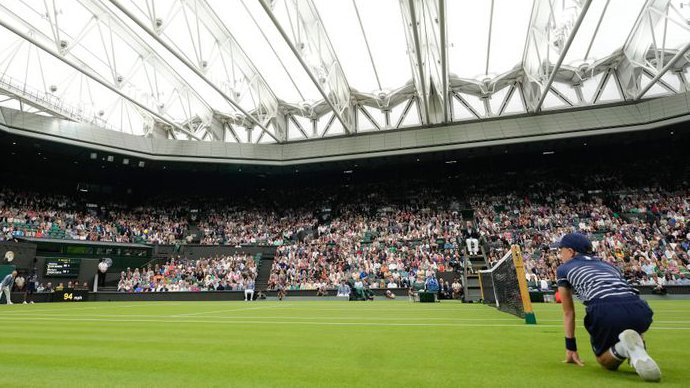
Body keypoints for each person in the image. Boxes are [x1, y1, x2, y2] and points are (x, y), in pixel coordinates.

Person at [556, 233, 661, 382]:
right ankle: (638, 349)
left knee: (605, 362)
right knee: (629, 318)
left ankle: (625, 348)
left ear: (571, 251)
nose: (560, 255)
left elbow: (568, 312)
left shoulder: (563, 269)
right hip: (639, 308)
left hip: (604, 308)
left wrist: (570, 348)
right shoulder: (610, 266)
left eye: (561, 251)